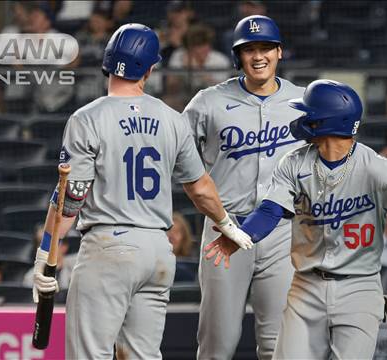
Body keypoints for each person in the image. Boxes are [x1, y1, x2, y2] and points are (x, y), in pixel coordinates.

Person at [204, 79, 387, 359]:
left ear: (325, 122)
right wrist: (241, 235)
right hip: (306, 285)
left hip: (359, 286)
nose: (302, 118)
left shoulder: (376, 169)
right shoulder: (294, 162)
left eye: (308, 113)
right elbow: (271, 211)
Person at [29, 23, 253, 359]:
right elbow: (201, 188)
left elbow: (71, 198)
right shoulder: (172, 119)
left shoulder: (86, 118)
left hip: (109, 247)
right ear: (150, 68)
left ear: (107, 62)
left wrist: (45, 252)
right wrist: (228, 224)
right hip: (157, 251)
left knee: (89, 354)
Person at [181, 15, 306, 360]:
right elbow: (175, 155)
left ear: (280, 52)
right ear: (238, 57)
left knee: (278, 343)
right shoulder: (208, 102)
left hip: (282, 230)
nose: (258, 56)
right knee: (217, 343)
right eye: (249, 49)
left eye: (265, 47)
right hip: (226, 227)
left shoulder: (304, 101)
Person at [22, 224, 76, 291]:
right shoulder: (31, 277)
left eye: (51, 243)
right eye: (40, 244)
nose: (45, 249)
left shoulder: (76, 267)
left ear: (64, 247)